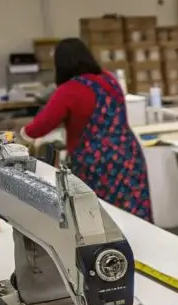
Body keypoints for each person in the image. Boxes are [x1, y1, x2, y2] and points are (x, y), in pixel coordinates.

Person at [22, 38, 152, 220]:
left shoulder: (69, 89)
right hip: (129, 156)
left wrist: (22, 134)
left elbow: (40, 126)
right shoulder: (110, 80)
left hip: (97, 164)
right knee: (134, 217)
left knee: (102, 219)